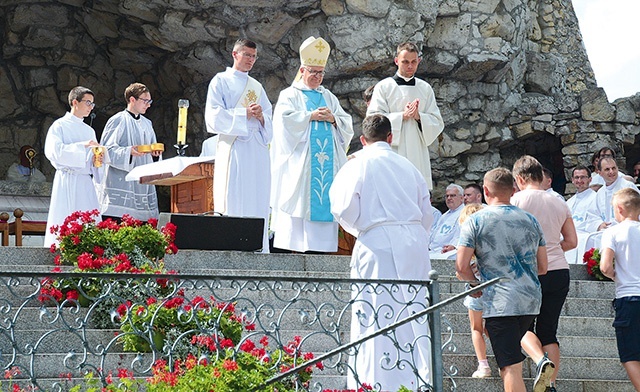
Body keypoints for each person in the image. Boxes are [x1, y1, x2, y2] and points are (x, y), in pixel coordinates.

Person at [329, 114, 433, 391]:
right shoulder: (409, 166)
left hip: (377, 242)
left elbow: (341, 206)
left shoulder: (358, 163)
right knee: (415, 310)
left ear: (363, 141)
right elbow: (427, 211)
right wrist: (414, 236)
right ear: (390, 137)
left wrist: (362, 228)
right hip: (413, 241)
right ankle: (421, 379)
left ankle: (374, 382)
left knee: (374, 311)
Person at [456, 167, 550, 392]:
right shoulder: (531, 220)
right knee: (510, 364)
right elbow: (544, 266)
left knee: (510, 368)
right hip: (530, 300)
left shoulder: (476, 220)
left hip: (499, 302)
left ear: (486, 191)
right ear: (513, 189)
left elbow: (461, 267)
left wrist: (474, 285)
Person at [270, 36, 354, 253]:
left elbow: (346, 123)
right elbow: (283, 122)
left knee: (324, 201)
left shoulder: (328, 96)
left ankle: (322, 249)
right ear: (302, 69)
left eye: (321, 72)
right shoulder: (289, 95)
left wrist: (333, 119)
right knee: (300, 204)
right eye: (313, 72)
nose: (317, 77)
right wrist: (310, 116)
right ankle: (293, 249)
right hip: (301, 164)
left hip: (325, 165)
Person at [511, 155, 577, 392]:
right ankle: (550, 384)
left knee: (520, 327)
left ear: (519, 178)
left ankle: (541, 360)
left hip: (528, 271)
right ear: (541, 176)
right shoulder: (559, 202)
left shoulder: (516, 200)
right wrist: (551, 247)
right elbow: (572, 241)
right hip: (559, 270)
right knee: (549, 330)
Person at [205, 38, 273, 253]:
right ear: (235, 55)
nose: (251, 60)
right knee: (235, 195)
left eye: (254, 56)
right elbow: (213, 117)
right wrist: (244, 113)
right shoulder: (220, 81)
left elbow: (270, 117)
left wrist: (262, 117)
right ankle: (233, 247)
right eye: (247, 55)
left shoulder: (257, 86)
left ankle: (258, 247)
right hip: (235, 147)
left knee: (257, 196)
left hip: (256, 150)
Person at [366, 42, 444, 189]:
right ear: (396, 61)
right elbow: (373, 119)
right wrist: (401, 116)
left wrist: (419, 117)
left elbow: (437, 122)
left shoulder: (425, 88)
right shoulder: (384, 87)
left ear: (419, 61)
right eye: (405, 62)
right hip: (393, 148)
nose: (410, 66)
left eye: (414, 62)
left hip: (417, 149)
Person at [44, 86, 104, 247]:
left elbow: (93, 162)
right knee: (65, 217)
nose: (91, 107)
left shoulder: (89, 131)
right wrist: (82, 146)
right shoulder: (59, 126)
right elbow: (54, 152)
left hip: (85, 182)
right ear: (75, 102)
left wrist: (97, 159)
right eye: (88, 102)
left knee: (88, 219)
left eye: (92, 104)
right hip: (67, 179)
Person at [99, 83, 159, 222]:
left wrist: (155, 155)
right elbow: (106, 151)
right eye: (145, 101)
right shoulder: (117, 120)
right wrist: (129, 152)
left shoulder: (147, 124)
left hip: (142, 185)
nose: (148, 105)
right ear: (132, 100)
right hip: (121, 183)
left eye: (150, 101)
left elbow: (152, 150)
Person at [600, 188, 640, 391]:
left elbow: (605, 266)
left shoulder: (613, 232)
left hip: (628, 297)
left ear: (620, 209)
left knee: (630, 356)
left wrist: (617, 275)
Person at [457, 203, 492, 378]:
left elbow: (460, 268)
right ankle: (505, 357)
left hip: (475, 287)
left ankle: (483, 365)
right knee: (494, 326)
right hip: (494, 286)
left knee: (477, 327)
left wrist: (471, 284)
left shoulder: (468, 238)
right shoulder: (491, 236)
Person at [592, 157, 640, 232]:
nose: (611, 172)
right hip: (606, 232)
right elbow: (593, 215)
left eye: (613, 168)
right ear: (600, 172)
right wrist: (599, 225)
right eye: (607, 169)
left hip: (627, 231)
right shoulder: (600, 193)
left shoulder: (628, 187)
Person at [564, 166, 599, 263]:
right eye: (576, 177)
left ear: (590, 179)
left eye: (583, 177)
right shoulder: (569, 202)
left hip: (585, 235)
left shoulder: (596, 198)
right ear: (572, 180)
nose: (579, 180)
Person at [429, 184, 464, 257]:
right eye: (447, 196)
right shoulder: (444, 216)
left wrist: (453, 245)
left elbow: (462, 234)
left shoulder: (465, 213)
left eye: (452, 195)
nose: (449, 198)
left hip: (450, 251)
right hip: (434, 250)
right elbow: (434, 233)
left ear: (461, 198)